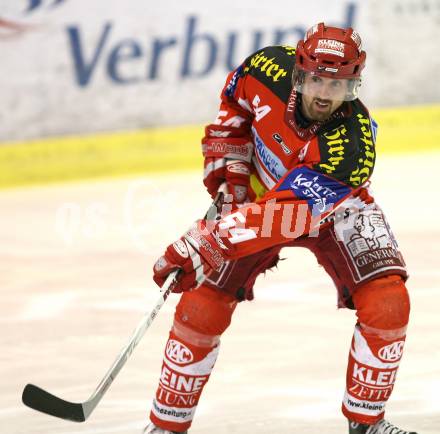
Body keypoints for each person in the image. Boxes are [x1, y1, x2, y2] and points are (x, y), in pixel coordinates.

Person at [144, 23, 417, 434]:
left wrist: (208, 243)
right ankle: (166, 426)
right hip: (258, 196)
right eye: (317, 81)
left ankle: (366, 424)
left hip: (334, 209)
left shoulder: (353, 146)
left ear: (355, 85)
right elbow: (233, 109)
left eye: (339, 85)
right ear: (298, 74)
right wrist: (233, 178)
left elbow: (285, 217)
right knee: (201, 304)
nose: (325, 95)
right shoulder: (265, 68)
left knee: (388, 301)